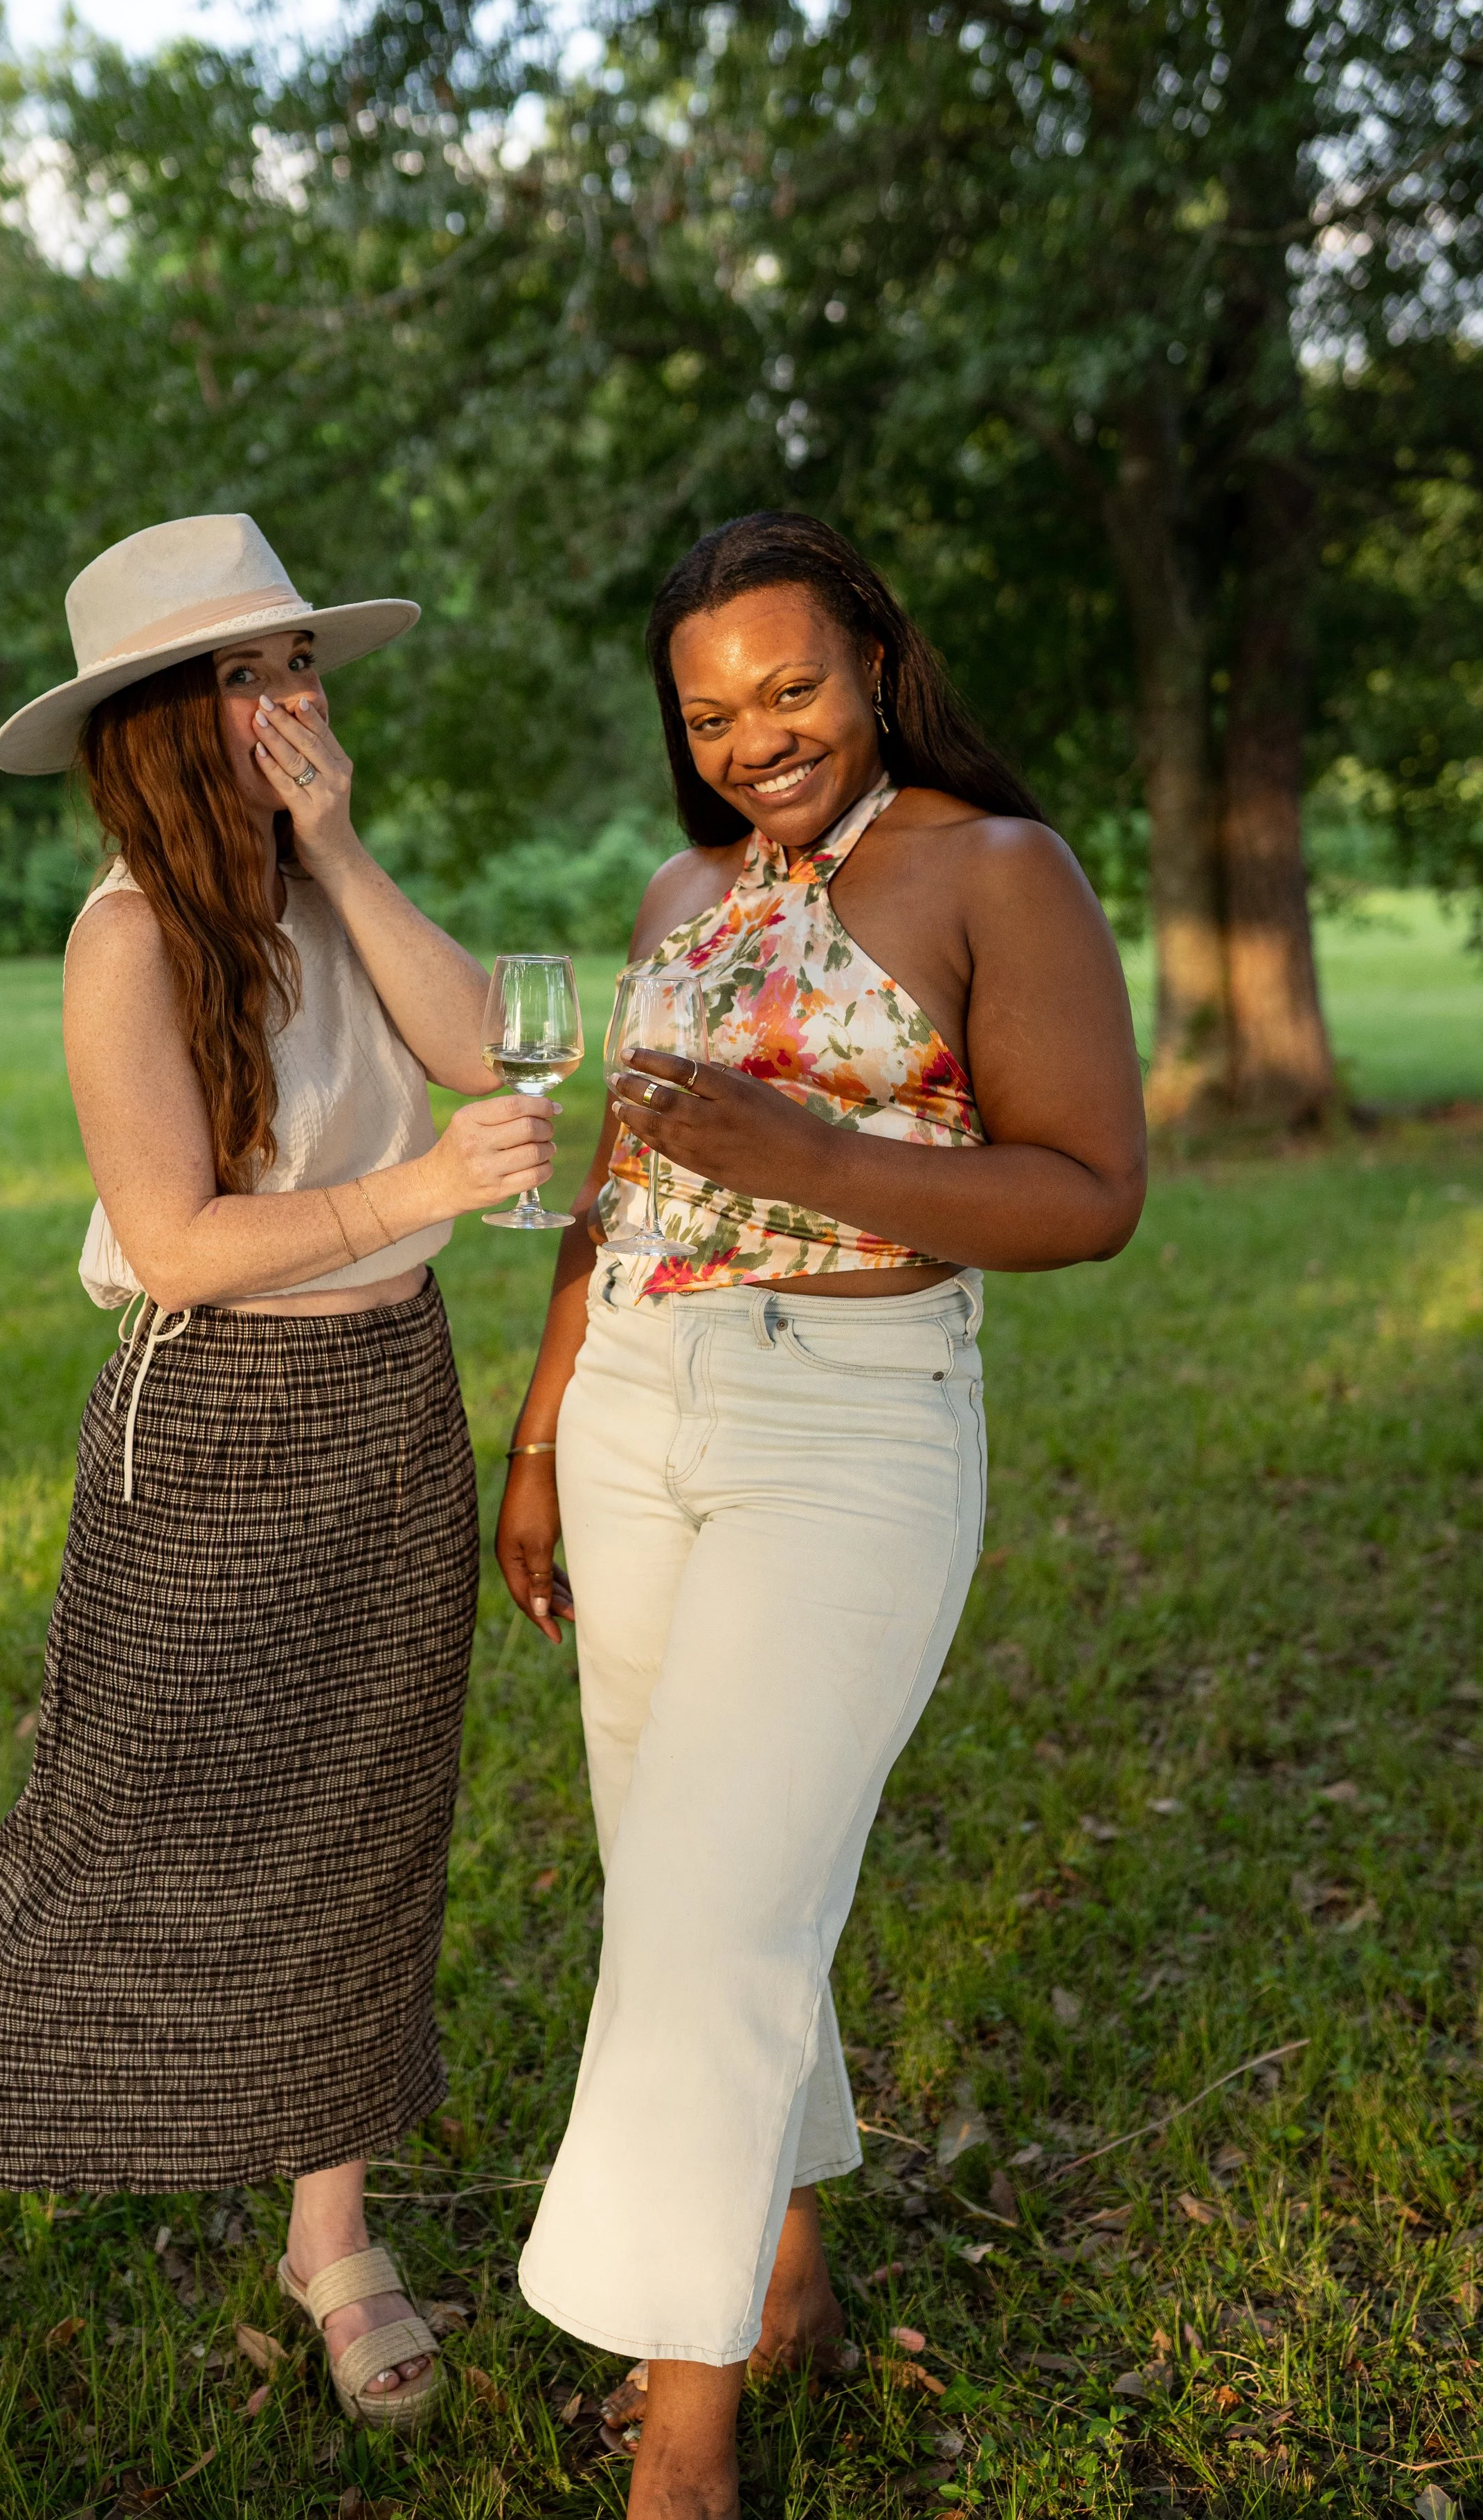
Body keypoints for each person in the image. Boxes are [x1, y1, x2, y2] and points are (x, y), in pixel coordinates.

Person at [0, 512, 555, 2432]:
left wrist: (341, 847)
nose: (292, 696)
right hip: (221, 1418)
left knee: (362, 1820)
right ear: (158, 721)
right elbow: (173, 1242)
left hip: (391, 1398)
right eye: (245, 674)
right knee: (117, 1829)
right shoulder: (127, 938)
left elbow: (481, 1044)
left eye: (298, 659)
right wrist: (420, 1187)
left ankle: (331, 2231)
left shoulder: (325, 885)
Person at [496, 511, 1147, 2517]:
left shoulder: (995, 868)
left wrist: (805, 1152)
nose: (755, 740)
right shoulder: (680, 892)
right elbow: (625, 1185)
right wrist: (537, 1436)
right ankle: (779, 2273)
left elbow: (1089, 1193)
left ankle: (682, 2440)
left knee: (707, 1920)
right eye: (711, 715)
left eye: (789, 689)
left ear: (872, 657)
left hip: (847, 1425)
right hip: (636, 1408)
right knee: (684, 1879)